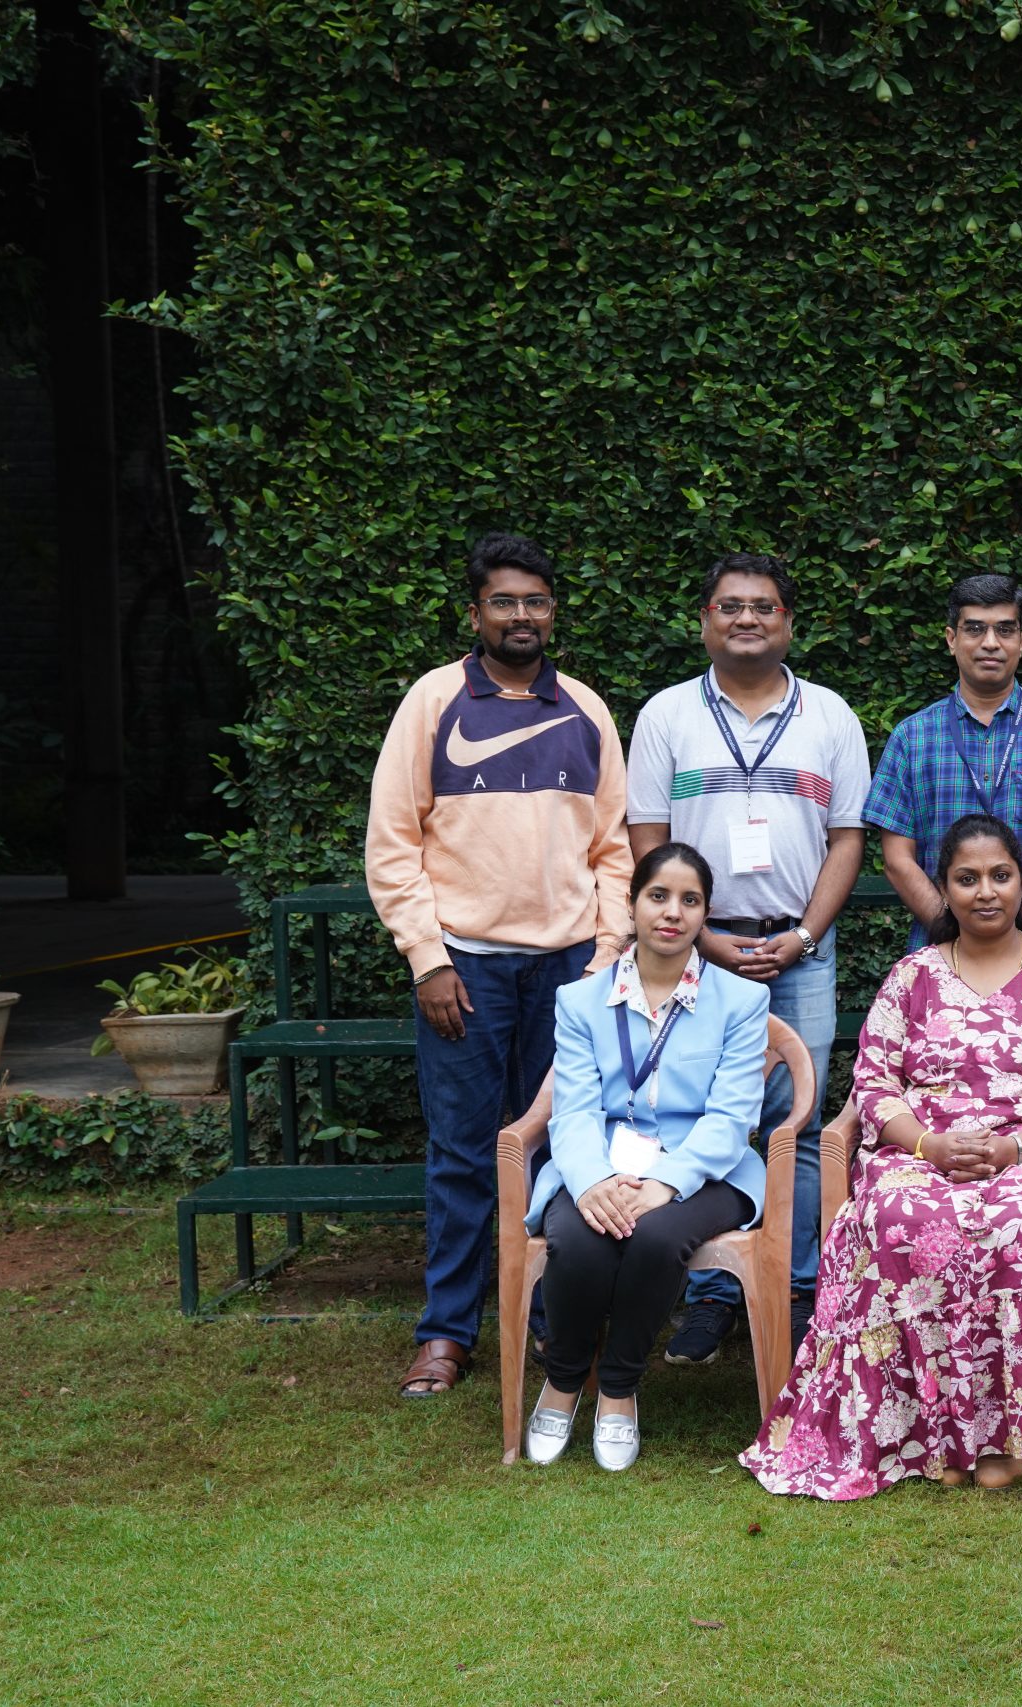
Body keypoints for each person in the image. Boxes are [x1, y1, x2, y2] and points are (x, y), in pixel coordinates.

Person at [741, 814, 1022, 1500]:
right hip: (921, 1152)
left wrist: (1014, 1147)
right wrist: (927, 1144)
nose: (985, 892)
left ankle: (1003, 1436)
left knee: (1013, 1223)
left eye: (999, 876)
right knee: (902, 1217)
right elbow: (874, 1081)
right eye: (966, 878)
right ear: (943, 888)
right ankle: (935, 1434)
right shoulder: (911, 975)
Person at [366, 531, 631, 1400]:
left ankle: (561, 1323)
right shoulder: (434, 701)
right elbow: (393, 844)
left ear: (554, 612)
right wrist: (427, 959)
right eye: (505, 601)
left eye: (537, 601)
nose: (523, 616)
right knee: (462, 1153)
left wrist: (604, 958)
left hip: (569, 974)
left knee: (564, 1146)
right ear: (474, 611)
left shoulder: (586, 709)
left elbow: (614, 850)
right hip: (468, 973)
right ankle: (447, 1332)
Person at [625, 553, 871, 1369]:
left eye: (763, 607)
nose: (747, 619)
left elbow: (848, 840)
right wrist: (697, 936)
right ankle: (712, 1299)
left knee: (794, 1127)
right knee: (699, 1119)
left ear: (788, 623)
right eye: (729, 606)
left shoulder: (830, 714)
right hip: (693, 947)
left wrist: (802, 935)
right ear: (705, 620)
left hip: (799, 951)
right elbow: (647, 838)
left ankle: (796, 1291)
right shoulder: (667, 714)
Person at [520, 843, 771, 1472]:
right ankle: (563, 1379)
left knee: (657, 1237)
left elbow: (733, 1118)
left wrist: (666, 1180)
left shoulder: (740, 1003)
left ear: (705, 914)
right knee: (579, 1241)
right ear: (632, 904)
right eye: (658, 896)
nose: (672, 912)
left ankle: (619, 1388)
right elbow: (572, 1110)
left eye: (690, 900)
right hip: (599, 1163)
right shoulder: (581, 1003)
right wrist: (593, 1180)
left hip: (707, 1169)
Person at [863, 572, 1022, 951]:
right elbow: (898, 860)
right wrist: (954, 931)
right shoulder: (912, 737)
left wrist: (1019, 928)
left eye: (1005, 630)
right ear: (952, 639)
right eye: (975, 629)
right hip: (939, 956)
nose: (990, 643)